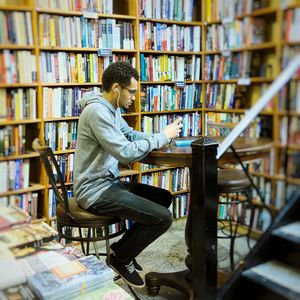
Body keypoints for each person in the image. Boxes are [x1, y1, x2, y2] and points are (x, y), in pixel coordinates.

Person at [73, 62, 183, 288]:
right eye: (131, 92)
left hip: (108, 182)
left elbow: (130, 134)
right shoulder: (97, 112)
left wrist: (160, 137)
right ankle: (121, 258)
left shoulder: (110, 109)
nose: (134, 97)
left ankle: (121, 251)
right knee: (163, 218)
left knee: (164, 198)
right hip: (94, 190)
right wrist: (161, 137)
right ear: (116, 88)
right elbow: (124, 152)